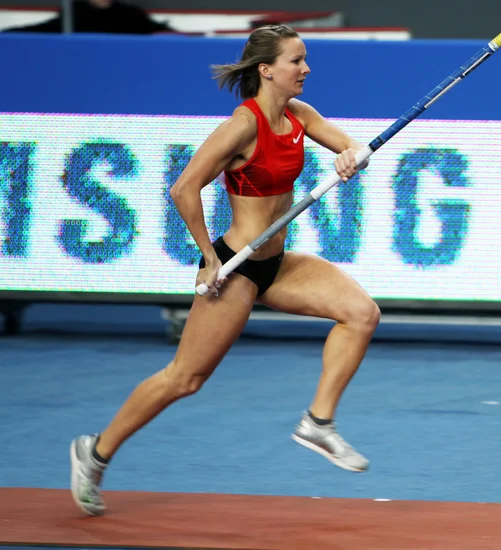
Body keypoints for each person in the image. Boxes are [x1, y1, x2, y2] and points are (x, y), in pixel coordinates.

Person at [70, 24, 381, 517]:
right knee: (185, 379)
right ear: (266, 70)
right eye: (296, 61)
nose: (306, 69)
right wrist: (210, 259)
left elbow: (347, 144)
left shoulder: (299, 115)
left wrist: (350, 156)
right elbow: (183, 189)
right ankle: (96, 451)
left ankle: (318, 422)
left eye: (304, 60)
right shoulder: (243, 125)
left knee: (362, 313)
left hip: (278, 264)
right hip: (234, 268)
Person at [2, 0, 174, 35]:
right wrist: (7, 35)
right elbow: (45, 29)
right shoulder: (75, 12)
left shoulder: (130, 15)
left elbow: (160, 33)